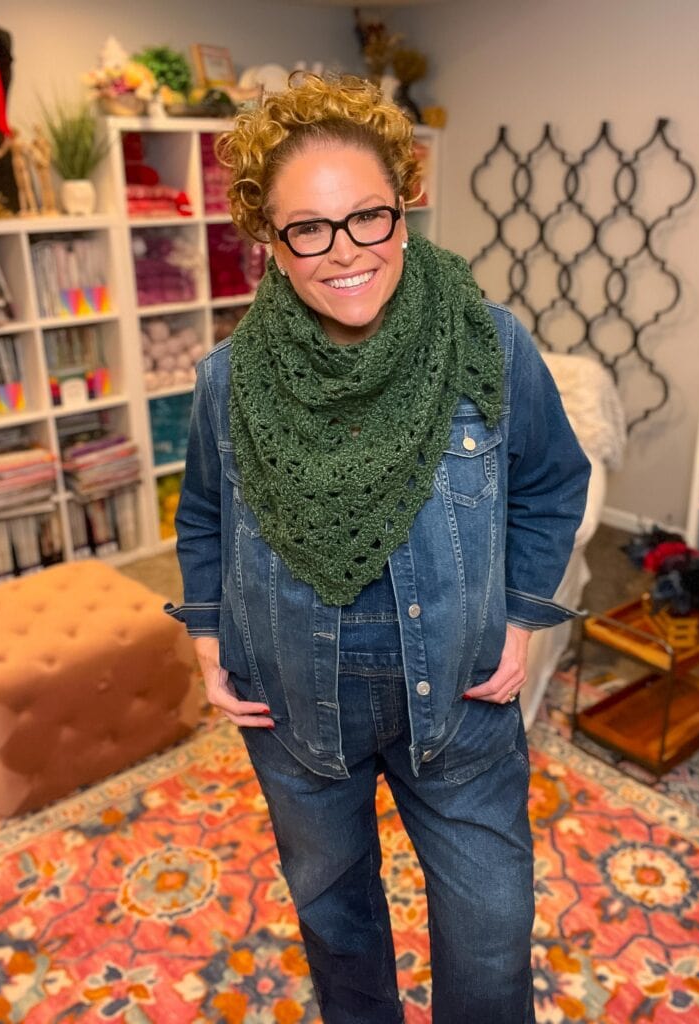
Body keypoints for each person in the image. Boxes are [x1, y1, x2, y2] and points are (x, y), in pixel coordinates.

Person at [166, 73, 590, 1024]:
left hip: (462, 701)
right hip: (296, 715)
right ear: (270, 247)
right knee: (340, 931)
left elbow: (553, 481)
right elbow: (203, 517)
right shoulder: (225, 380)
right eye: (308, 230)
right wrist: (205, 637)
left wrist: (522, 613)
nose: (345, 252)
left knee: (489, 942)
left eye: (368, 217)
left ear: (404, 211)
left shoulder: (492, 346)